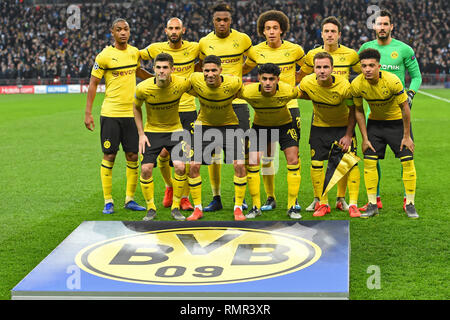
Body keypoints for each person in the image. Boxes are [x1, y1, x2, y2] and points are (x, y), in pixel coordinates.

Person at [84, 18, 152, 214]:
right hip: (110, 114)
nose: (123, 33)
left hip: (131, 114)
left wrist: (156, 78)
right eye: (119, 30)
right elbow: (93, 83)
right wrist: (88, 113)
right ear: (112, 33)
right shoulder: (104, 56)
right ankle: (108, 200)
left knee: (132, 155)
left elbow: (138, 71)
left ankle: (129, 199)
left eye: (126, 29)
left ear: (129, 32)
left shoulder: (134, 53)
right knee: (110, 155)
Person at [358, 9, 422, 212]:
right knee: (372, 158)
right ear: (374, 27)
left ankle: (408, 200)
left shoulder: (403, 49)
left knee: (406, 156)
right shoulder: (366, 48)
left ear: (391, 27)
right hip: (374, 114)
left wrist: (410, 94)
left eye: (386, 24)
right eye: (379, 24)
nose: (382, 28)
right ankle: (374, 198)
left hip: (397, 112)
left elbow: (417, 76)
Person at [242, 10, 305, 212]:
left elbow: (306, 69)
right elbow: (243, 69)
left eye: (275, 28)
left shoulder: (295, 50)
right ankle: (270, 198)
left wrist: (292, 84)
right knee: (266, 156)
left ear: (282, 30)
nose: (271, 32)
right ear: (263, 31)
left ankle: (293, 202)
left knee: (292, 156)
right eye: (268, 28)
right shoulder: (255, 51)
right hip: (264, 110)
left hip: (290, 108)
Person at [297, 16, 361, 213]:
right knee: (317, 162)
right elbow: (300, 79)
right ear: (322, 33)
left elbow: (363, 75)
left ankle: (342, 199)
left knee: (345, 162)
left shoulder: (351, 54)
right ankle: (319, 199)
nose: (330, 34)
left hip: (343, 115)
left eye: (334, 31)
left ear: (339, 34)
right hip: (320, 120)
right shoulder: (312, 56)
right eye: (327, 31)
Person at [139, 17, 199, 212]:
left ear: (183, 30)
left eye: (177, 28)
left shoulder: (194, 48)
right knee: (164, 155)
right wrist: (153, 81)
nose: (174, 31)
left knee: (186, 158)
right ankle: (169, 187)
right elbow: (134, 58)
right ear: (166, 30)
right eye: (171, 28)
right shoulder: (156, 49)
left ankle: (184, 198)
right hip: (162, 114)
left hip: (187, 109)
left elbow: (206, 63)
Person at [197, 1, 252, 212]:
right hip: (211, 104)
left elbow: (253, 61)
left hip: (237, 105)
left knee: (241, 154)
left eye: (225, 20)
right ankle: (216, 197)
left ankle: (242, 198)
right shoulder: (204, 43)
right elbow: (201, 67)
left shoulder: (242, 39)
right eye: (218, 20)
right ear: (213, 21)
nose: (222, 23)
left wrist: (238, 73)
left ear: (231, 21)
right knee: (212, 153)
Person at [351, 48, 418, 219]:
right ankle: (372, 204)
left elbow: (405, 108)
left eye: (371, 65)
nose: (367, 69)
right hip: (375, 125)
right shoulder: (357, 84)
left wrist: (406, 136)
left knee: (407, 161)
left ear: (379, 66)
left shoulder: (392, 80)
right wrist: (365, 138)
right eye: (364, 65)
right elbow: (358, 111)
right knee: (369, 162)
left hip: (397, 125)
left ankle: (410, 204)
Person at [185, 55, 247, 221]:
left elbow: (248, 94)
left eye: (213, 70)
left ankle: (238, 208)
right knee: (193, 166)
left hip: (229, 126)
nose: (210, 74)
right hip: (204, 126)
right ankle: (197, 209)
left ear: (220, 70)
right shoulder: (195, 80)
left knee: (240, 165)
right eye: (206, 70)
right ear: (202, 71)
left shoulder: (233, 83)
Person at [133, 53, 192, 221]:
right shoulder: (143, 88)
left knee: (180, 167)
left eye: (165, 68)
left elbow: (200, 90)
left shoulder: (181, 83)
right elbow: (136, 107)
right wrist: (141, 134)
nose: (161, 71)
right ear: (154, 69)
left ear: (172, 69)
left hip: (175, 131)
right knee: (145, 169)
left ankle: (175, 207)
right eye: (158, 67)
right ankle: (151, 208)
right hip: (152, 132)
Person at [239, 63, 302, 219]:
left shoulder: (288, 90)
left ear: (277, 80)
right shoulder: (248, 92)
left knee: (293, 161)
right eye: (264, 79)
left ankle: (292, 206)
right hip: (260, 127)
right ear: (259, 78)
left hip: (285, 126)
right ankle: (255, 207)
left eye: (271, 79)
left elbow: (307, 94)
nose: (267, 83)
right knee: (253, 162)